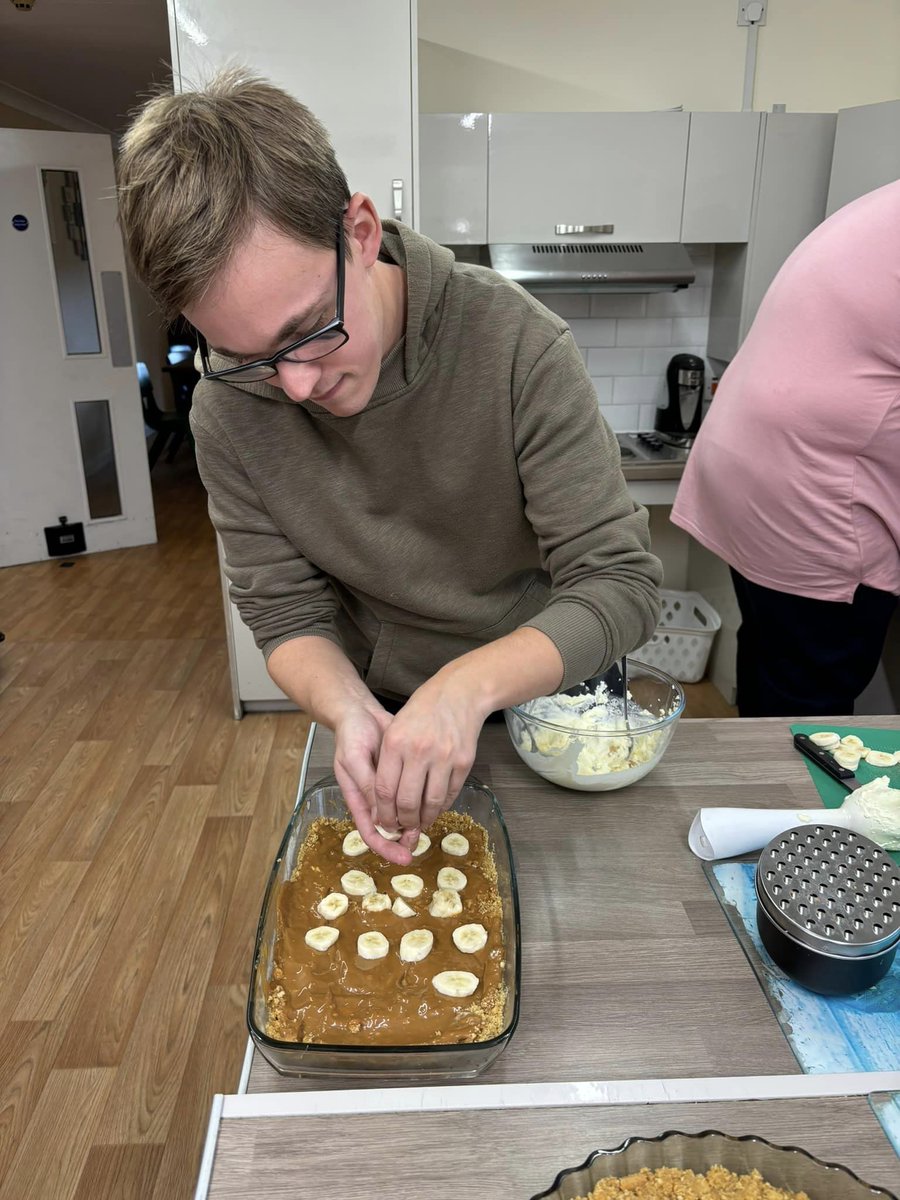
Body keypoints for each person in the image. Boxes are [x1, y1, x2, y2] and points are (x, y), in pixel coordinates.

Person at [116, 68, 662, 860]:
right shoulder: (227, 409)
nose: (296, 386)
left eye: (309, 330)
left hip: (552, 694)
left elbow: (619, 584)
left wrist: (465, 687)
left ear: (361, 233)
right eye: (248, 357)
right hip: (386, 706)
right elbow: (283, 612)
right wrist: (348, 711)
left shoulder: (518, 345)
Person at [672, 180, 900, 718]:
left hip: (757, 474)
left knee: (773, 665)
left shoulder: (880, 208)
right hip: (817, 494)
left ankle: (756, 769)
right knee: (807, 699)